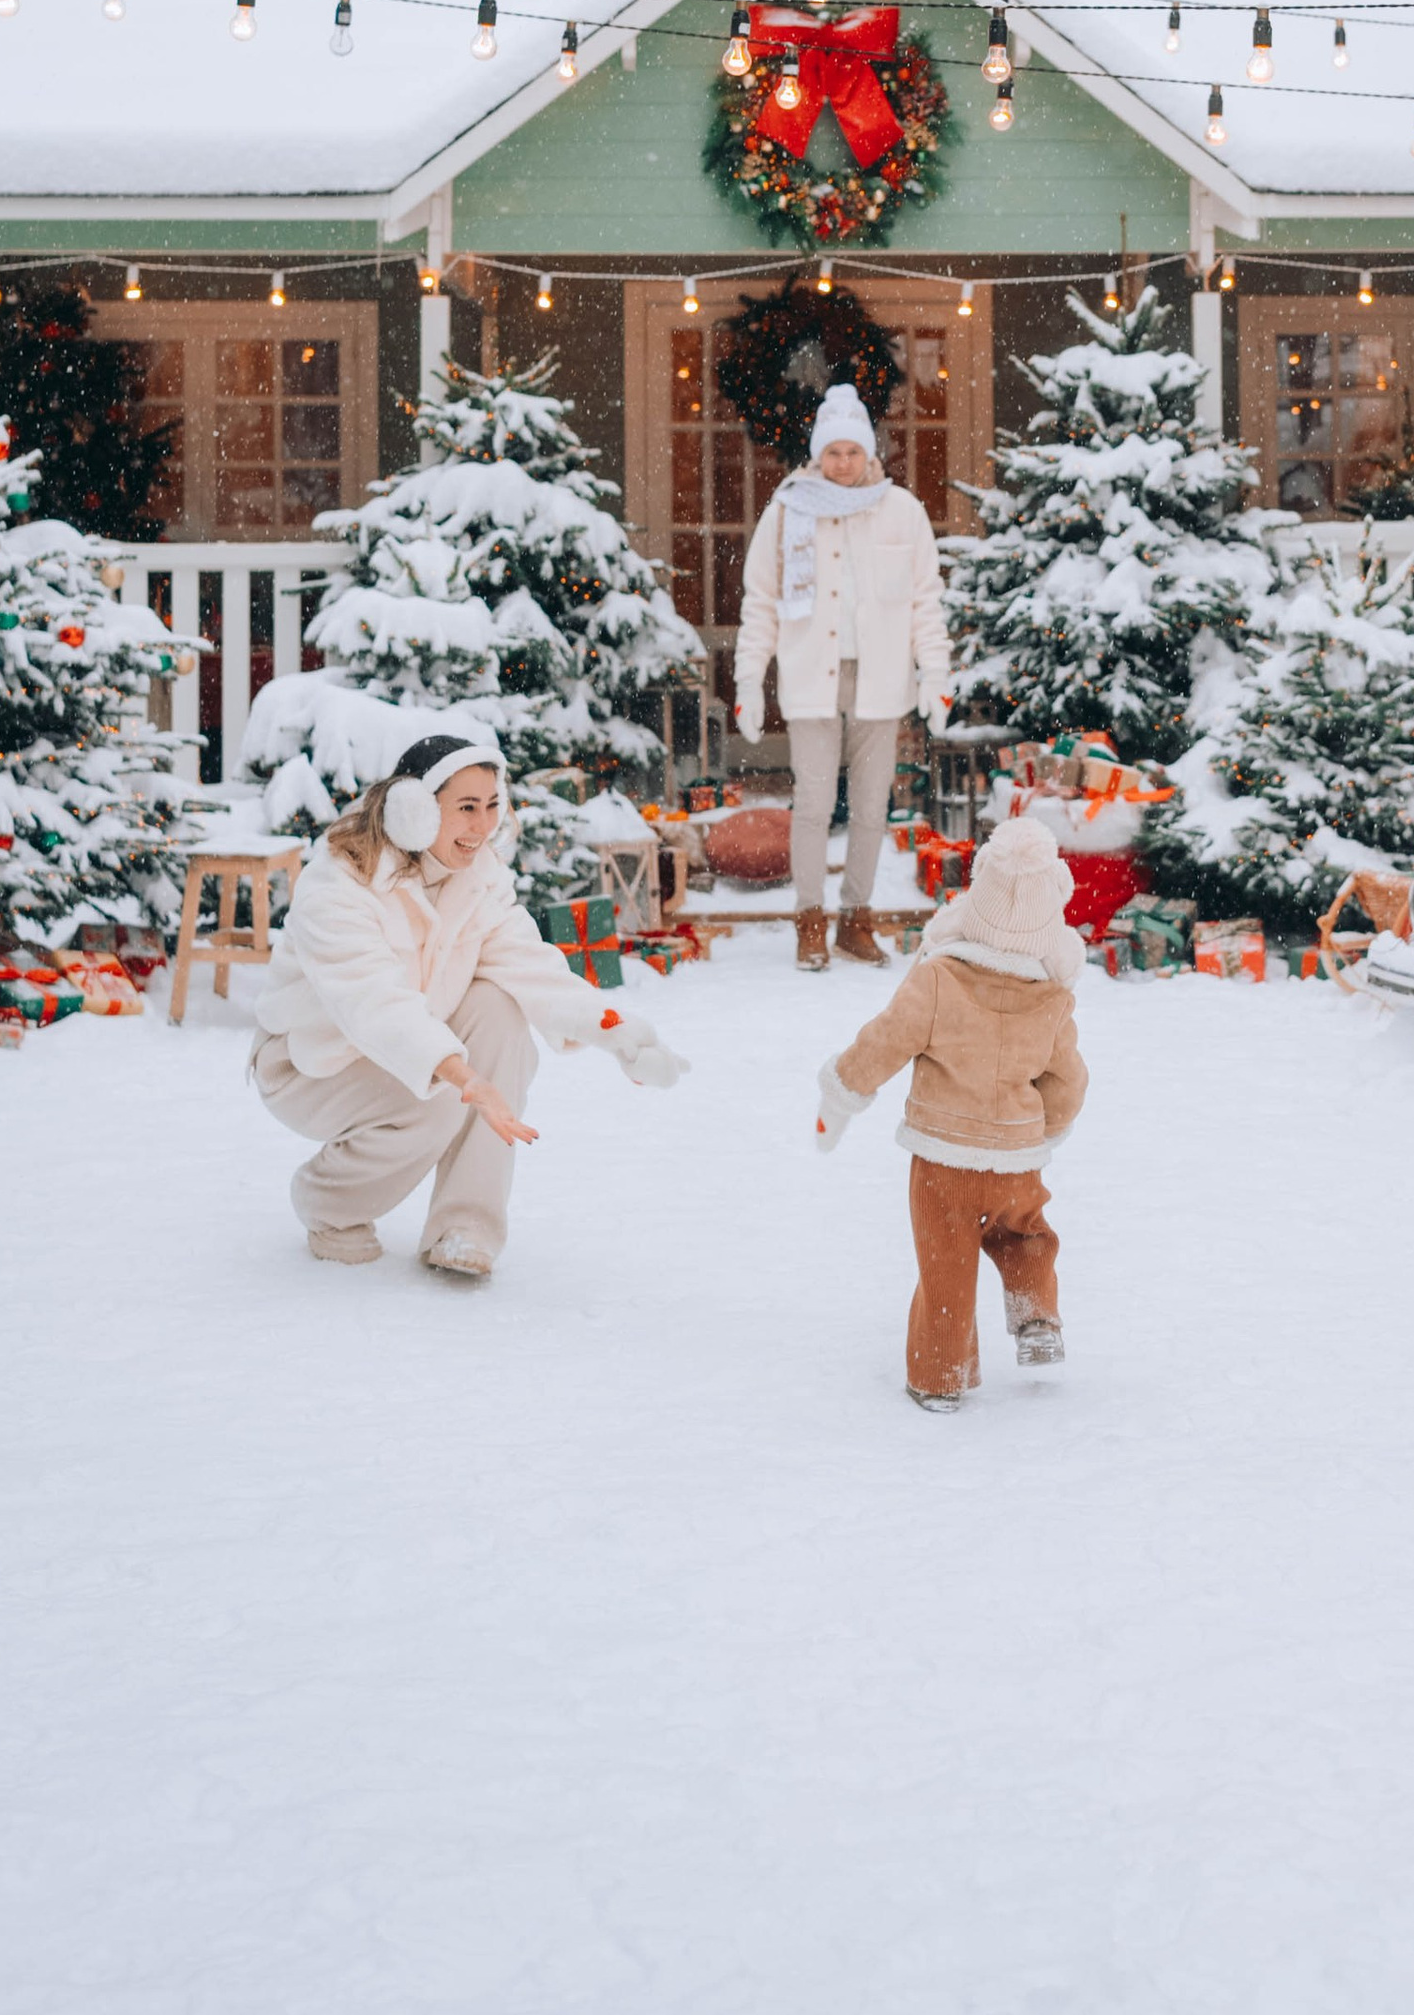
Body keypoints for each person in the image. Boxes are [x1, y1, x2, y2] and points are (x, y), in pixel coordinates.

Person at [250, 727, 689, 1280]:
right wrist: (462, 1075)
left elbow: (533, 969)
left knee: (498, 1010)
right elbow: (374, 1003)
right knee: (436, 1095)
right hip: (308, 1063)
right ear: (414, 810)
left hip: (408, 1048)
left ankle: (465, 1228)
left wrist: (621, 1034)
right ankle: (330, 1205)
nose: (482, 827)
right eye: (465, 808)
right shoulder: (338, 886)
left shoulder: (478, 882)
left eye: (490, 807)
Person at [813, 811, 1086, 1408]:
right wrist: (1047, 1130)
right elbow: (1068, 1079)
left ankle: (940, 1380)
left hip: (944, 1163)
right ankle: (1037, 1316)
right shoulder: (1052, 999)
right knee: (1027, 1235)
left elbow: (885, 1041)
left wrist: (843, 1088)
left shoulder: (938, 979)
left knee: (947, 1265)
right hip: (1017, 1158)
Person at [736, 378, 951, 968]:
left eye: (853, 451)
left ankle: (856, 920)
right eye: (833, 452)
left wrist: (935, 673)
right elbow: (761, 601)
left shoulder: (902, 512)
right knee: (811, 802)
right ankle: (809, 919)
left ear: (869, 452)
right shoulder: (787, 512)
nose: (843, 462)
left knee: (870, 807)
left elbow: (924, 601)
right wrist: (749, 682)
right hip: (811, 678)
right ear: (817, 454)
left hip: (880, 681)